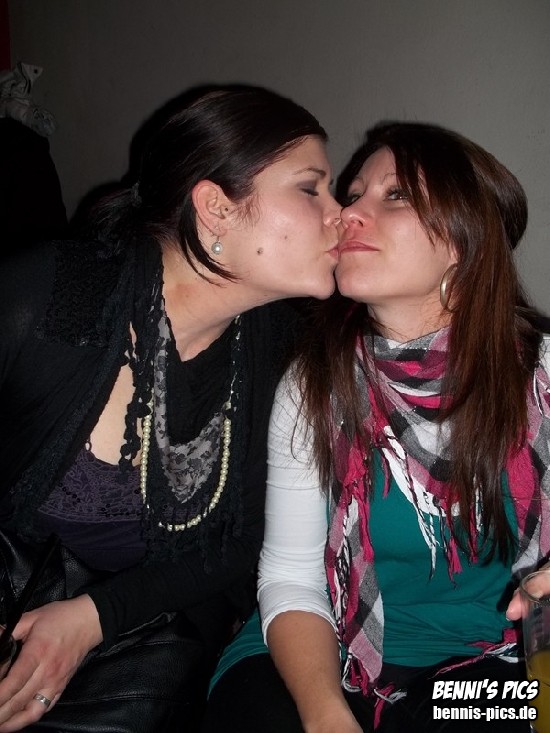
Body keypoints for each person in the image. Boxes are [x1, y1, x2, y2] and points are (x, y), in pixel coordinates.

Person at [0, 83, 341, 731]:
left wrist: (92, 619)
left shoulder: (282, 355)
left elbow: (242, 543)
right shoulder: (52, 298)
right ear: (215, 208)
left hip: (139, 634)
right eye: (310, 188)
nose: (340, 214)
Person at [202, 121, 550, 732]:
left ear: (464, 240)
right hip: (316, 651)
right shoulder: (314, 383)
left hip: (487, 662)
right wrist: (325, 714)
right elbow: (291, 578)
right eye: (354, 193)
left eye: (395, 196)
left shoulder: (541, 375)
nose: (347, 214)